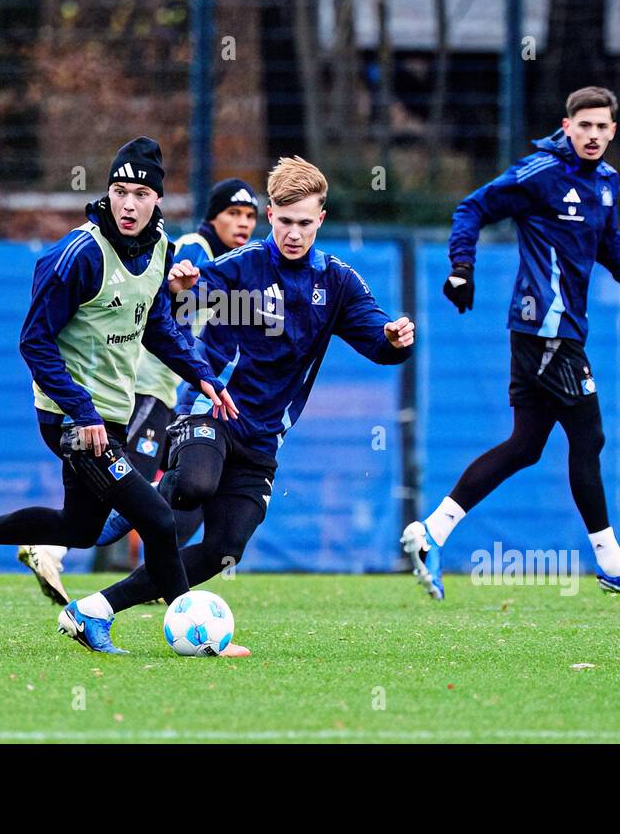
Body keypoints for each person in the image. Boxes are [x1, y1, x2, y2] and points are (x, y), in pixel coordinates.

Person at [63, 155, 416, 653]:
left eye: (305, 223)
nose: (294, 233)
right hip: (212, 413)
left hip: (263, 439)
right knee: (195, 487)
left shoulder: (336, 283)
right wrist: (182, 285)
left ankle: (93, 609)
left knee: (223, 549)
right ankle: (136, 506)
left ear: (321, 220)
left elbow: (376, 339)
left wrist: (395, 338)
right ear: (271, 215)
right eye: (285, 221)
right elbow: (178, 304)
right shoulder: (241, 266)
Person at [0, 136, 239, 654]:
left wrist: (202, 376)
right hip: (71, 419)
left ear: (158, 202)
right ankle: (191, 636)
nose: (128, 204)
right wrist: (80, 411)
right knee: (156, 518)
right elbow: (33, 341)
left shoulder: (158, 251)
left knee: (78, 529)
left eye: (140, 194)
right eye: (120, 191)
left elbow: (155, 326)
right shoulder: (77, 255)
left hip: (112, 414)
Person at [401, 87, 620, 602]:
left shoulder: (607, 183)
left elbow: (610, 247)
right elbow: (472, 207)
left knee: (525, 447)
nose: (593, 135)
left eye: (602, 127)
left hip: (556, 332)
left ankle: (432, 533)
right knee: (588, 438)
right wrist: (462, 269)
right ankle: (613, 565)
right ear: (566, 125)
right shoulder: (541, 172)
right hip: (544, 331)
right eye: (584, 125)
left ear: (614, 131)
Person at [19, 178, 261, 601]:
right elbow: (164, 302)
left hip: (170, 389)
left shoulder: (230, 260)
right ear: (212, 217)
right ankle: (52, 547)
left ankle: (153, 574)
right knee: (133, 485)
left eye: (249, 216)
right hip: (148, 384)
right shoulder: (192, 249)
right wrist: (184, 289)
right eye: (232, 214)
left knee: (163, 489)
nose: (242, 223)